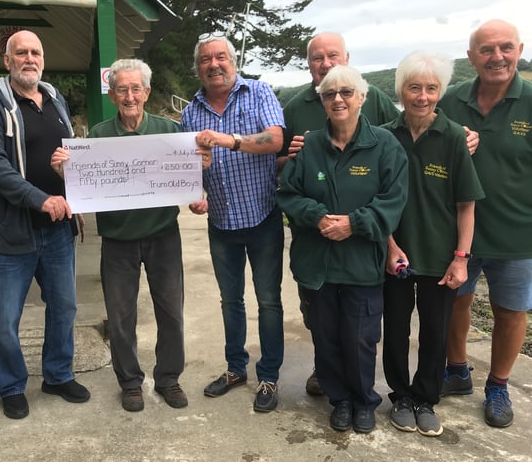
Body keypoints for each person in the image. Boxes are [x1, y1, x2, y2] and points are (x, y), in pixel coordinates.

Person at [51, 59, 212, 412]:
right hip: (117, 240)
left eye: (135, 89)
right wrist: (66, 171)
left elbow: (189, 183)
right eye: (122, 89)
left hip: (162, 236)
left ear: (147, 92)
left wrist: (198, 182)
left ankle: (169, 378)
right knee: (121, 316)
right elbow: (84, 184)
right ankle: (130, 382)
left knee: (171, 312)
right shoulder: (97, 136)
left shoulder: (170, 130)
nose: (129, 96)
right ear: (112, 94)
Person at [277, 65, 408, 433]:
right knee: (326, 336)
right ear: (322, 101)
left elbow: (394, 201)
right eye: (329, 94)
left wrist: (355, 223)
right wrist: (317, 217)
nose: (338, 99)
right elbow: (288, 194)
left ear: (363, 97)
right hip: (315, 264)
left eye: (346, 92)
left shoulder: (385, 146)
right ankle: (340, 400)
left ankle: (365, 399)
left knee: (361, 337)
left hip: (361, 263)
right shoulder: (310, 145)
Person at [0, 29, 89, 420]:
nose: (29, 58)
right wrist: (41, 199)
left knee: (64, 307)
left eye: (35, 52)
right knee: (5, 319)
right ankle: (11, 385)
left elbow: (69, 156)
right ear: (7, 61)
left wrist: (80, 194)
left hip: (58, 229)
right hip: (11, 230)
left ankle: (57, 375)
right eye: (20, 52)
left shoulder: (55, 100)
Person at [381, 51, 484, 437]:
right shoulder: (384, 136)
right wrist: (389, 246)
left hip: (441, 258)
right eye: (413, 87)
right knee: (394, 330)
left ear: (439, 92)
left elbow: (466, 206)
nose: (422, 96)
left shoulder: (455, 136)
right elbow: (376, 200)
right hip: (396, 256)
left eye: (430, 88)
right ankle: (401, 396)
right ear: (400, 90)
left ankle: (426, 399)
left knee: (434, 332)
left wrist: (461, 258)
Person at [182, 32, 285, 413]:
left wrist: (229, 140)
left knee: (269, 301)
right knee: (230, 301)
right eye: (206, 59)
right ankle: (235, 368)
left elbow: (275, 139)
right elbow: (186, 164)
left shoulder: (258, 92)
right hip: (221, 223)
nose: (214, 64)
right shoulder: (191, 110)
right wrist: (195, 189)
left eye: (220, 57)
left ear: (233, 61)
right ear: (199, 68)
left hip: (263, 218)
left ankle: (269, 375)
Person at [438, 19, 532, 428]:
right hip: (460, 230)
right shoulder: (452, 100)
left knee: (510, 311)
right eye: (487, 50)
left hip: (518, 232)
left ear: (519, 49)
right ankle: (457, 371)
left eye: (506, 48)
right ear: (471, 56)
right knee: (455, 302)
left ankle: (498, 384)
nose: (497, 57)